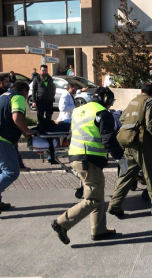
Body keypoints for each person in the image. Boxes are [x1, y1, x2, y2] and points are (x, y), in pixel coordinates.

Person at [51, 87, 124, 245]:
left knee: (96, 195)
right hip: (89, 159)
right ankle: (61, 223)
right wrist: (121, 159)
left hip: (77, 157)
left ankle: (99, 230)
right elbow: (108, 140)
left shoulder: (79, 111)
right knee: (92, 199)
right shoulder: (103, 113)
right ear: (107, 100)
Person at [108, 82, 152, 218]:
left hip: (127, 142)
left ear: (141, 90)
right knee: (151, 176)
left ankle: (114, 204)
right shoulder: (150, 102)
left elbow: (122, 119)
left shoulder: (133, 101)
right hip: (142, 144)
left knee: (126, 175)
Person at [0, 81, 33, 213]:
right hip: (4, 139)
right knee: (11, 172)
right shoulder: (17, 97)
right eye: (27, 93)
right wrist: (27, 131)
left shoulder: (2, 96)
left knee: (2, 171)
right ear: (24, 91)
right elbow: (17, 118)